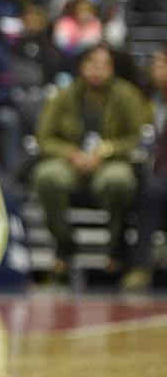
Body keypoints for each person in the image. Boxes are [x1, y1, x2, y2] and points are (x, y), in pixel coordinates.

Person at [29, 44, 147, 280]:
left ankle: (116, 246)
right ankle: (64, 243)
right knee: (47, 176)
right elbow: (45, 138)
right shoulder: (64, 95)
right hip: (72, 160)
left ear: (113, 69)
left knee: (118, 180)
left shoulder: (127, 95)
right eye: (92, 64)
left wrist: (107, 150)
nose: (97, 70)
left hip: (111, 160)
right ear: (81, 67)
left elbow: (137, 137)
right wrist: (71, 153)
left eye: (104, 65)